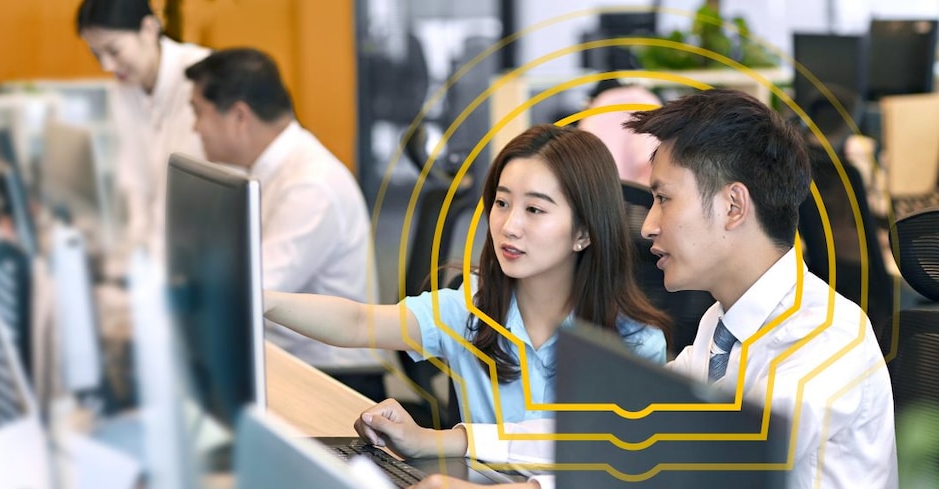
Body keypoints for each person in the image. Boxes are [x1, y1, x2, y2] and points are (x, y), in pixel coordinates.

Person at [264, 123, 672, 486]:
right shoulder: (471, 310)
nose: (509, 226)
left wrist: (435, 444)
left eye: (534, 209)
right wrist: (263, 301)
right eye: (501, 202)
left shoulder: (634, 344)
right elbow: (357, 323)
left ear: (583, 232)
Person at [623, 89, 897, 488]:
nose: (648, 225)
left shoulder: (826, 341)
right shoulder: (721, 323)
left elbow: (706, 467)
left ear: (733, 206)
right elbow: (635, 415)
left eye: (663, 198)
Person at [183, 48, 387, 399]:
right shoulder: (272, 171)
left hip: (333, 380)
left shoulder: (309, 186)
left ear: (239, 116)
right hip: (286, 361)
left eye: (199, 113)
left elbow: (249, 294)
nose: (195, 128)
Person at [76, 0, 210, 260]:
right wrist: (133, 252)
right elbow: (136, 182)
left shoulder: (200, 77)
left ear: (149, 28)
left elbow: (183, 189)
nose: (107, 66)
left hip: (199, 242)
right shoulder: (125, 90)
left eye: (113, 50)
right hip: (159, 252)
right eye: (96, 54)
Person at [577, 79, 662, 187]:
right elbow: (649, 158)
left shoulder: (598, 107)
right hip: (638, 192)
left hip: (599, 190)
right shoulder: (644, 100)